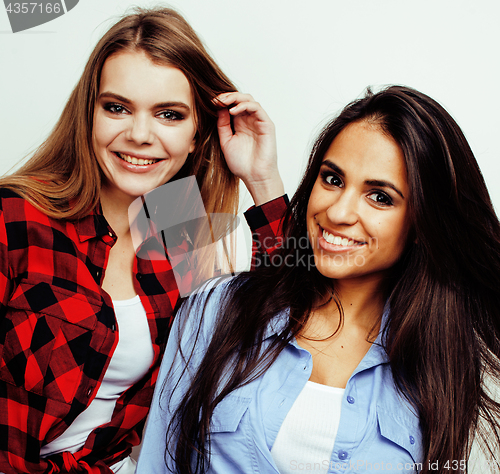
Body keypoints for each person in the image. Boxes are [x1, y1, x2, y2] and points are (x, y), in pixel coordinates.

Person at [137, 85, 500, 473]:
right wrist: (260, 179)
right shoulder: (217, 309)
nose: (339, 211)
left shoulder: (442, 363)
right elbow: (158, 462)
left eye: (380, 197)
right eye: (332, 179)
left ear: (421, 224)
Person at [0, 7, 286, 474]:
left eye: (169, 115)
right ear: (88, 114)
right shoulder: (15, 218)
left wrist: (263, 178)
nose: (138, 135)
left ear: (197, 134)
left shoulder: (178, 223)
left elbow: (289, 317)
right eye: (117, 108)